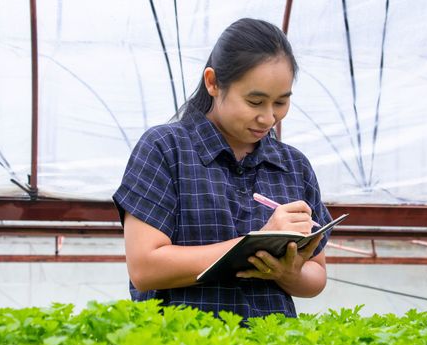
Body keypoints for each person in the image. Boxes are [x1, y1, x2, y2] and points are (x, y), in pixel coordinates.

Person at [113, 17, 333, 320]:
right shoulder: (165, 149)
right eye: (255, 101)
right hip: (184, 340)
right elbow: (145, 267)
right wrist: (255, 243)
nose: (269, 118)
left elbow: (316, 274)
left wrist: (286, 272)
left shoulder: (293, 166)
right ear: (213, 82)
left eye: (281, 102)